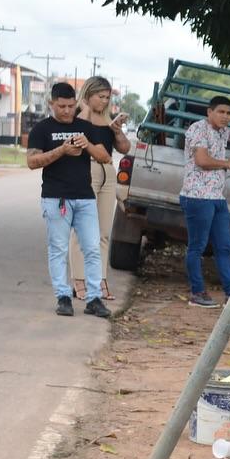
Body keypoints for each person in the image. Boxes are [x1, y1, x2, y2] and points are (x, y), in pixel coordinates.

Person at [26, 81, 115, 319]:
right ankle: (63, 296)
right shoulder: (42, 129)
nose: (66, 111)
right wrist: (61, 151)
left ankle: (94, 298)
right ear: (51, 104)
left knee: (93, 248)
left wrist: (87, 146)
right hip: (56, 198)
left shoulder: (85, 126)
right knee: (58, 249)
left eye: (70, 106)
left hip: (85, 197)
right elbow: (32, 162)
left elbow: (105, 156)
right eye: (61, 106)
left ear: (77, 103)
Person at [180, 95, 230, 311]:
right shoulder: (198, 129)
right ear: (209, 112)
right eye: (221, 112)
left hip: (217, 198)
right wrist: (228, 164)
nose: (225, 117)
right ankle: (197, 292)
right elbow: (201, 160)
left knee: (224, 247)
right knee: (197, 246)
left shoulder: (224, 132)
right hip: (197, 196)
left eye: (229, 113)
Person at [68, 76, 131, 301]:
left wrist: (116, 130)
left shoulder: (108, 120)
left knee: (103, 232)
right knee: (82, 230)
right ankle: (79, 280)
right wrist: (84, 108)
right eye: (100, 97)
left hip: (108, 173)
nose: (104, 102)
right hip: (86, 172)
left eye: (107, 97)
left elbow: (125, 147)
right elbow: (76, 134)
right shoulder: (76, 116)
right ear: (88, 95)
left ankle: (101, 279)